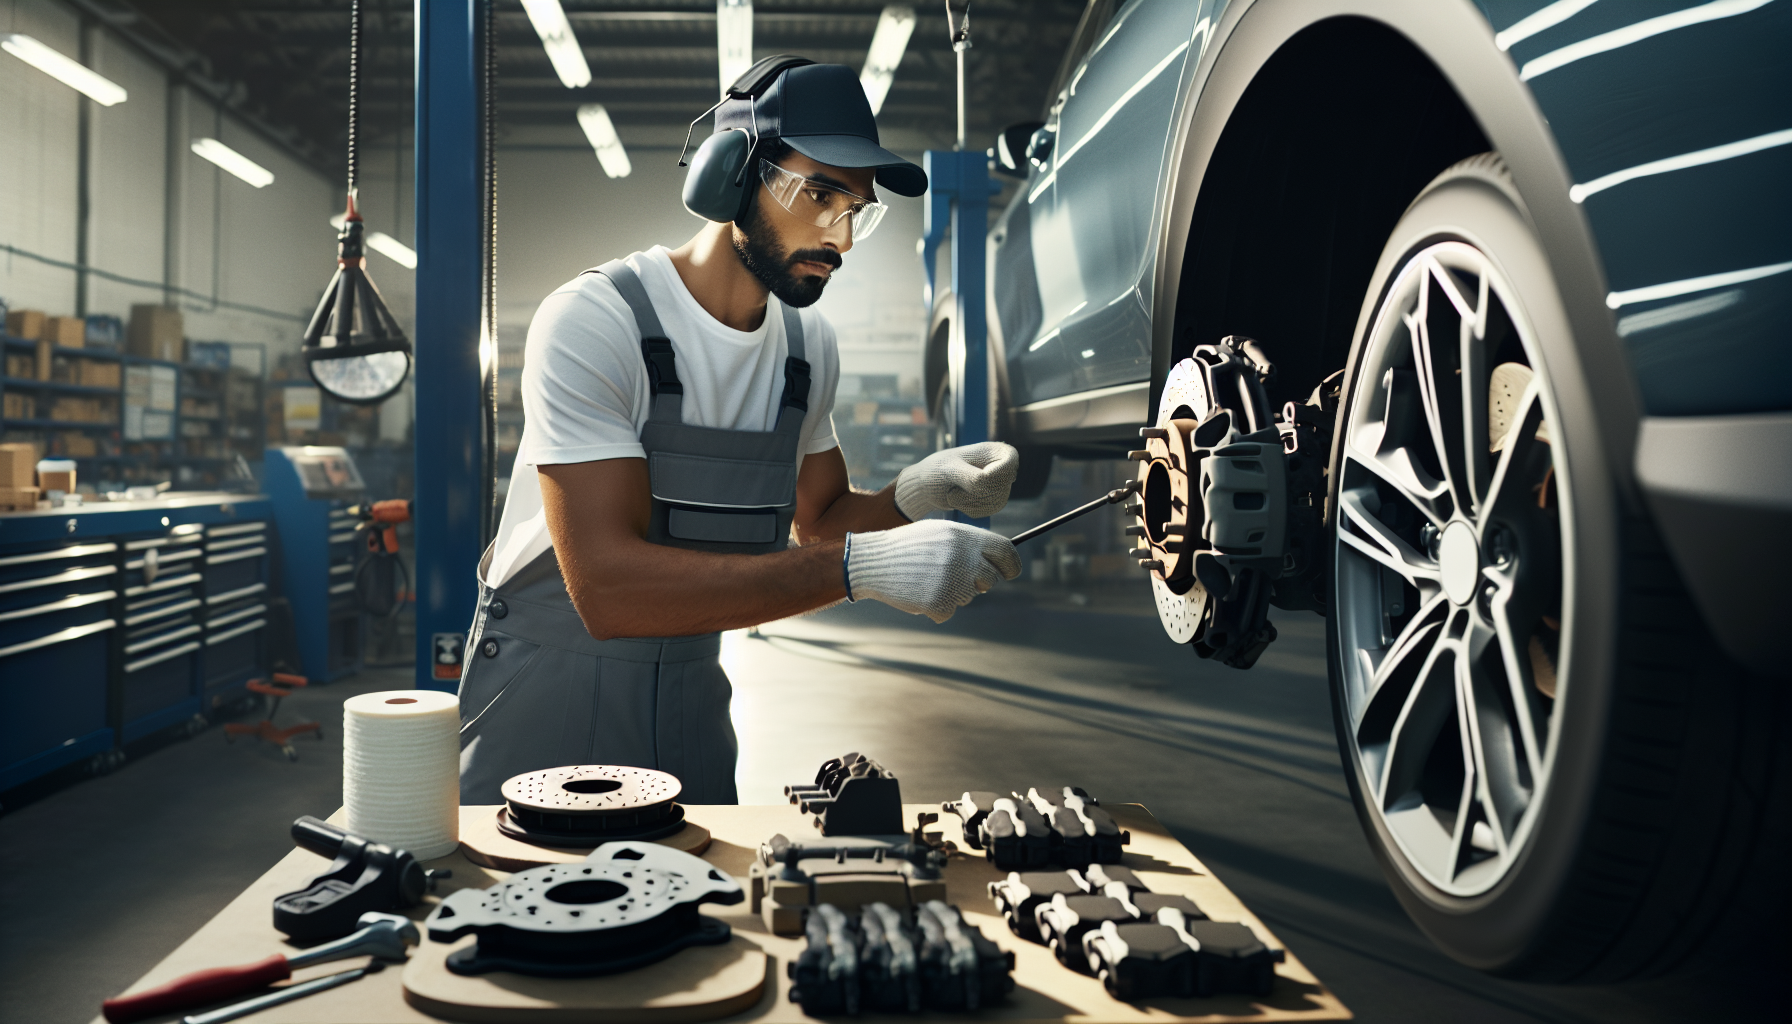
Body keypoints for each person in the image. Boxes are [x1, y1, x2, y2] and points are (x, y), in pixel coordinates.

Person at [457, 58, 1023, 804]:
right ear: (730, 174)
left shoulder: (804, 349)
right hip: (550, 692)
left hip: (692, 700)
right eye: (820, 194)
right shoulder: (599, 321)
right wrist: (864, 570)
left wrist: (917, 492)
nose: (841, 237)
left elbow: (820, 526)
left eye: (856, 209)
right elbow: (608, 592)